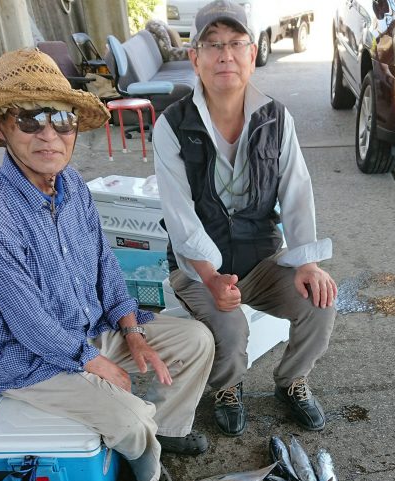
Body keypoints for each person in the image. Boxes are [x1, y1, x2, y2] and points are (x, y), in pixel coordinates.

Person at [0, 47, 215, 481]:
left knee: (197, 340)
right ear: (1, 127)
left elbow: (104, 264)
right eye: (29, 119)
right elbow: (29, 322)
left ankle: (165, 430)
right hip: (30, 360)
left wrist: (130, 329)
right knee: (131, 419)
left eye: (61, 119)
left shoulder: (72, 184)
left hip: (94, 329)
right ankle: (146, 470)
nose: (48, 134)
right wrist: (96, 364)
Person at [153, 0, 337, 437]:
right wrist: (210, 276)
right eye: (212, 45)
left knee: (321, 303)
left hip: (262, 261)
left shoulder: (275, 117)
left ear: (252, 55)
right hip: (199, 271)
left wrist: (306, 263)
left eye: (236, 43)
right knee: (231, 333)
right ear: (195, 58)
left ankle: (291, 381)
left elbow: (296, 192)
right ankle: (227, 388)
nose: (225, 56)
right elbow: (179, 216)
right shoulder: (171, 125)